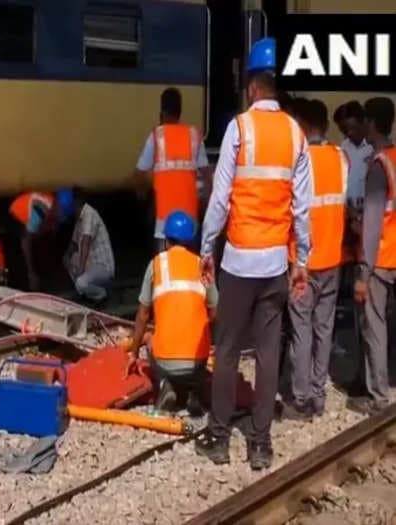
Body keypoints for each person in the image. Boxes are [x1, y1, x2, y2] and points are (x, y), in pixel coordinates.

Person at [195, 37, 311, 470]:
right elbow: (302, 209)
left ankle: (221, 437)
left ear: (251, 86)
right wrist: (301, 262)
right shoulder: (296, 134)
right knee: (267, 353)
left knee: (226, 351)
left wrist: (207, 247)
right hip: (276, 266)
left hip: (240, 261)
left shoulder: (238, 128)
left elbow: (220, 198)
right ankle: (260, 444)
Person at [284, 99, 348, 420]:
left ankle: (301, 398)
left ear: (305, 126)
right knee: (324, 328)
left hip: (303, 263)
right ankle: (319, 394)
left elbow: (292, 210)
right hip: (333, 259)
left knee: (301, 329)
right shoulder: (340, 158)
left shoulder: (301, 160)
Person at [125, 211, 217, 415]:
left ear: (166, 240)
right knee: (200, 343)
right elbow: (216, 312)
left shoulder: (156, 264)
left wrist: (133, 352)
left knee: (150, 337)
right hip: (198, 361)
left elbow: (143, 315)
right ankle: (194, 390)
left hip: (166, 361)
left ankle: (165, 385)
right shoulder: (201, 265)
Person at [349, 97, 396, 416]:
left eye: (365, 120)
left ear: (373, 124)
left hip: (382, 256)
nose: (362, 126)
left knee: (374, 325)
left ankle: (378, 396)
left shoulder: (379, 165)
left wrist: (363, 275)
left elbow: (375, 223)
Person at [132, 88, 212, 247]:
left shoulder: (156, 136)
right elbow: (207, 178)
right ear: (180, 110)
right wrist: (204, 207)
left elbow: (139, 175)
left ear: (161, 110)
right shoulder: (194, 135)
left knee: (165, 268)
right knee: (189, 267)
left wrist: (143, 196)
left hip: (164, 224)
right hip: (190, 223)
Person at [9, 188, 75, 291]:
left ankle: (50, 280)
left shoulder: (55, 206)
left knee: (48, 238)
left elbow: (55, 225)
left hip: (35, 222)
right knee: (32, 250)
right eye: (58, 218)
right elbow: (25, 241)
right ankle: (30, 284)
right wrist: (31, 271)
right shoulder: (39, 211)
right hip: (17, 219)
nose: (58, 222)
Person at [63, 187, 115, 305]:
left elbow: (85, 242)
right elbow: (74, 243)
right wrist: (67, 255)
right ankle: (86, 292)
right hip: (91, 265)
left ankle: (101, 294)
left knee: (81, 282)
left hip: (103, 267)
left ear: (77, 201)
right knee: (69, 259)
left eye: (70, 202)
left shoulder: (89, 213)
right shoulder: (79, 219)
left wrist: (80, 270)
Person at [335, 101, 373, 206]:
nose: (349, 133)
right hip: (348, 209)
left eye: (352, 128)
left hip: (368, 209)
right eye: (344, 130)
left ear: (363, 122)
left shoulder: (373, 148)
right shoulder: (343, 146)